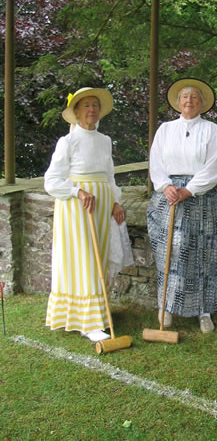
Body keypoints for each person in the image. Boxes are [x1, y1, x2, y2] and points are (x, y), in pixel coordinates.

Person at [44, 87, 125, 343]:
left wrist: (115, 202)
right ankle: (86, 322)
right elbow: (52, 181)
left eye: (95, 105)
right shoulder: (67, 142)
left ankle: (97, 312)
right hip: (76, 208)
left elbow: (109, 175)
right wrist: (77, 191)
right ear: (77, 112)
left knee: (98, 257)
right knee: (83, 259)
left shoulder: (105, 140)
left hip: (100, 206)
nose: (92, 109)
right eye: (86, 105)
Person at [147, 78, 217, 333]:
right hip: (170, 196)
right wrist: (166, 186)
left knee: (204, 252)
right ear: (177, 102)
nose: (189, 100)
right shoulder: (166, 129)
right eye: (184, 97)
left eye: (194, 97)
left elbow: (215, 166)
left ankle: (204, 311)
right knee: (171, 252)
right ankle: (167, 307)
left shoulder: (213, 131)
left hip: (202, 197)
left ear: (202, 103)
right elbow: (156, 162)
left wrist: (189, 189)